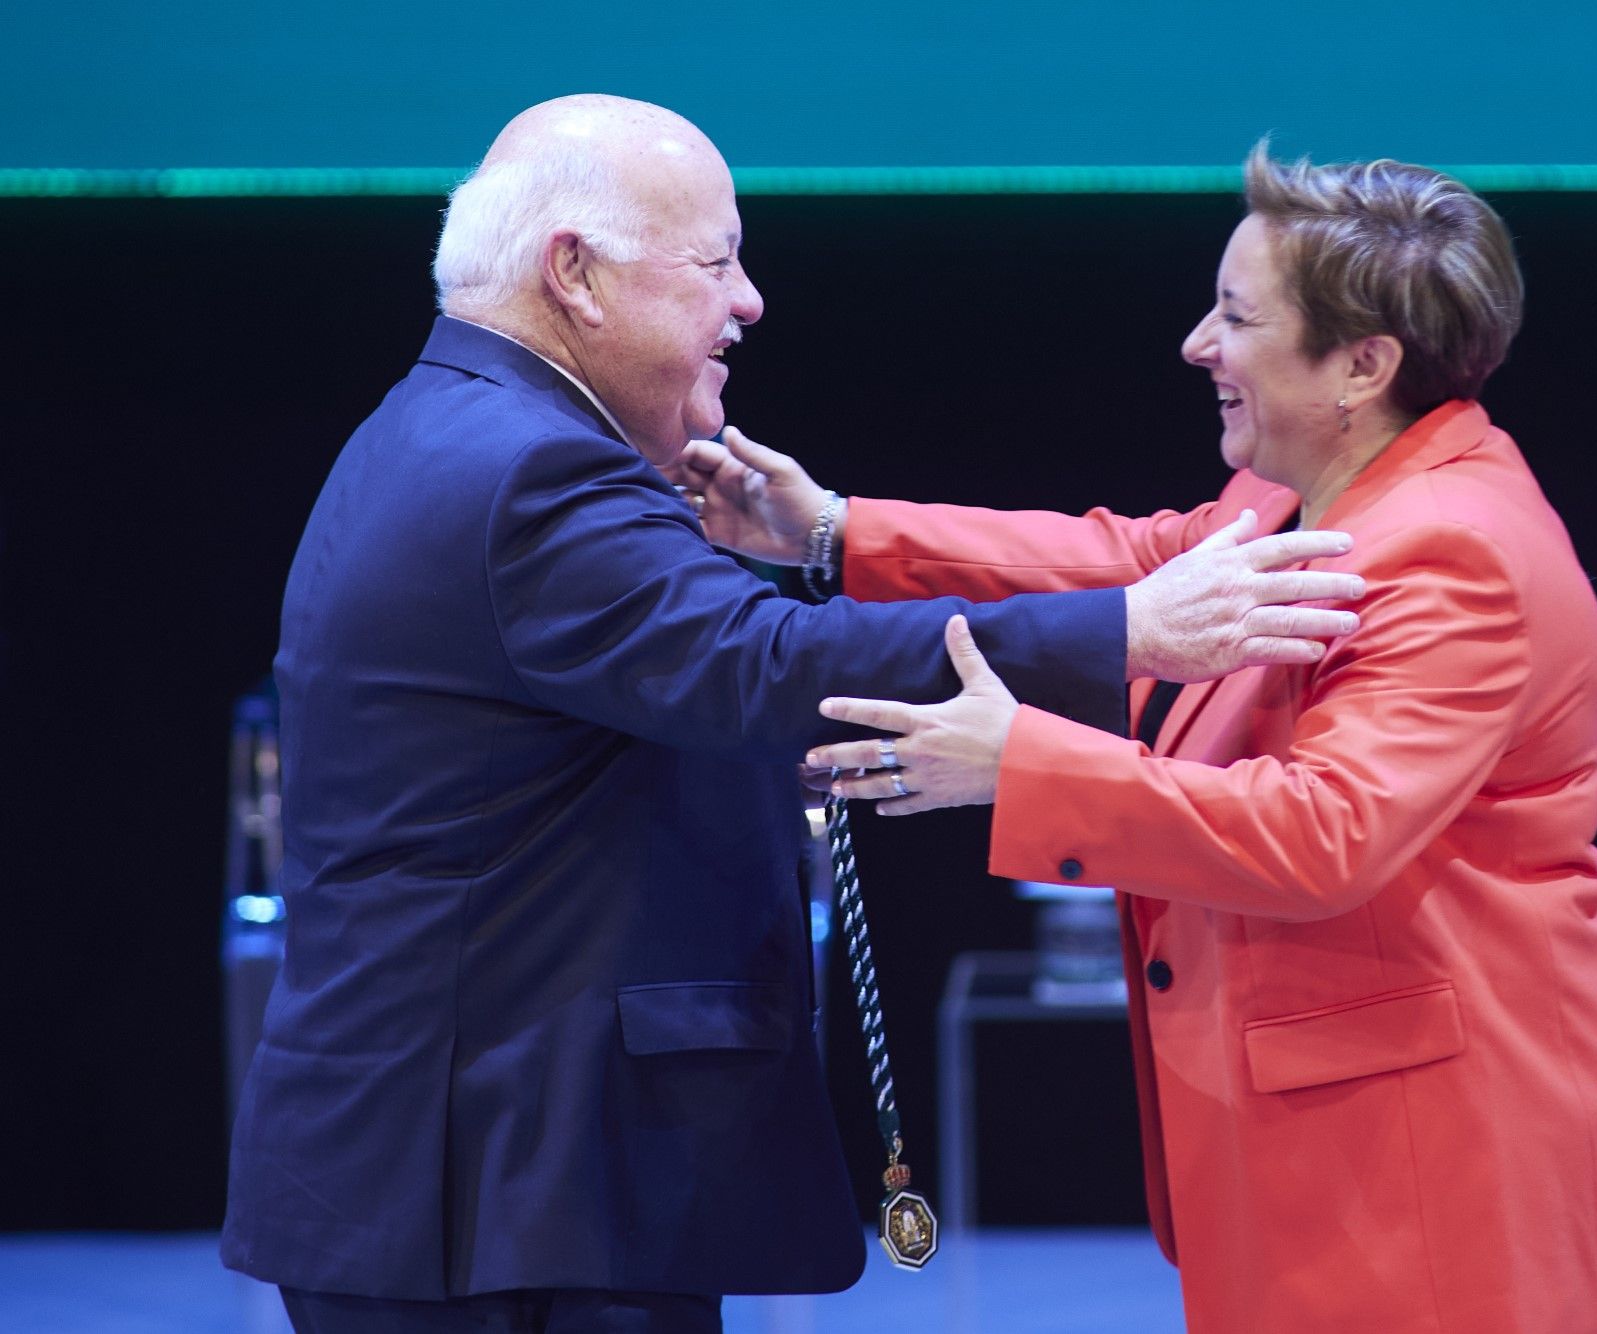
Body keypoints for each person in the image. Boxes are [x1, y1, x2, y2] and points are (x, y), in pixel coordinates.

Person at [218, 99, 1366, 1334]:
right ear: (575, 274)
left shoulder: (467, 426)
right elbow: (760, 663)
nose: (750, 299)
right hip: (506, 1193)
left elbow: (674, 689)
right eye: (717, 261)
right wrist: (1127, 636)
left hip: (486, 1178)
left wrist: (829, 543)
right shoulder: (532, 468)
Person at [677, 145, 1597, 1332]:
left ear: (1362, 364)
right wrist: (838, 534)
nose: (1198, 343)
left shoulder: (1455, 554)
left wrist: (1017, 762)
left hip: (1435, 1165)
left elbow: (1323, 833)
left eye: (1237, 316)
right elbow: (1133, 567)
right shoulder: (1298, 494)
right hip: (1346, 1141)